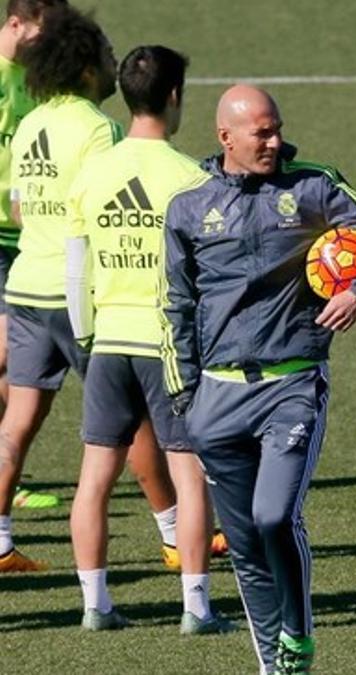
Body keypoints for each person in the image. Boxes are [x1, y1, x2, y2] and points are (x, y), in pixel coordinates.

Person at [161, 84, 356, 672]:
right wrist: (186, 399)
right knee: (247, 545)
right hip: (216, 400)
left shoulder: (314, 186)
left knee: (276, 516)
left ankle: (298, 634)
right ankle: (275, 666)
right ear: (226, 137)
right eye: (262, 133)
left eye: (277, 129)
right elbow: (174, 305)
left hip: (292, 386)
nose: (275, 141)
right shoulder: (189, 208)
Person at [0, 5, 179, 574]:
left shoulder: (32, 123)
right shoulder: (98, 129)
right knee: (135, 417)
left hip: (25, 284)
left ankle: (0, 544)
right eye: (104, 56)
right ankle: (178, 536)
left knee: (18, 420)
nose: (111, 65)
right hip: (75, 294)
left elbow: (19, 210)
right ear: (83, 69)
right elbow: (108, 205)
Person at [64, 45, 235, 634]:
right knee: (190, 478)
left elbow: (76, 269)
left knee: (94, 479)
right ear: (174, 97)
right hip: (170, 350)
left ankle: (95, 605)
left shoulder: (93, 172)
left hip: (108, 343)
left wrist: (88, 337)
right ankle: (196, 608)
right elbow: (210, 278)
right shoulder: (191, 177)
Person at [0, 0, 65, 513]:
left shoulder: (37, 78)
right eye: (43, 31)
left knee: (12, 369)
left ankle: (6, 473)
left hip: (22, 233)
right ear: (15, 23)